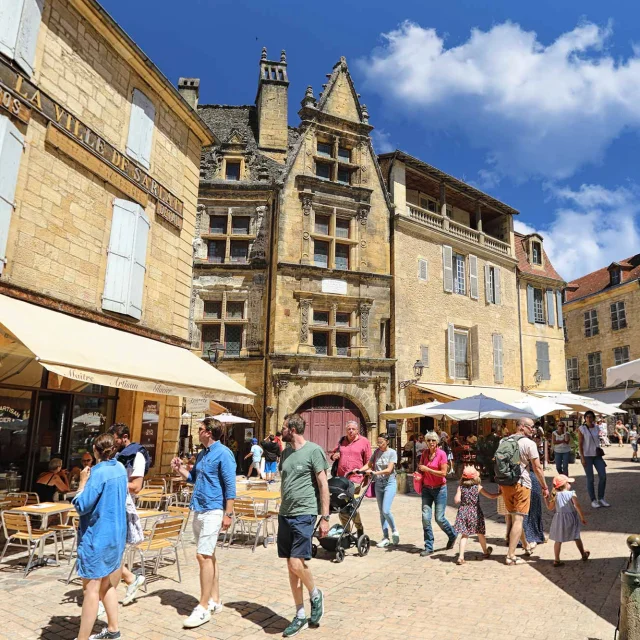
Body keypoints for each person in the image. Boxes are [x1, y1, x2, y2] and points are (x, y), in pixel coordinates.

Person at [171, 417, 235, 629]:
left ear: (209, 432)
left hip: (214, 509)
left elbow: (230, 485)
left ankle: (203, 606)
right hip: (198, 508)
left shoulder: (224, 454)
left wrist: (229, 513)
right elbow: (194, 478)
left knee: (203, 555)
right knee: (209, 555)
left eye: (200, 429)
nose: (197, 432)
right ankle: (216, 599)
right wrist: (179, 469)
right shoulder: (202, 454)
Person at [278, 413, 330, 638]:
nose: (281, 430)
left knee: (295, 563)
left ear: (292, 428)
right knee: (291, 567)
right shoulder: (286, 452)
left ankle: (316, 594)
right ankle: (299, 614)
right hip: (285, 514)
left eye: (283, 426)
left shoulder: (314, 451)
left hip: (305, 514)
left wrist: (325, 517)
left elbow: (323, 485)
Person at [72, 433, 127, 640]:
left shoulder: (97, 473)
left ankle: (82, 638)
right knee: (107, 585)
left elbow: (81, 505)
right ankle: (113, 630)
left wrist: (82, 483)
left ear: (96, 451)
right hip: (116, 534)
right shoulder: (120, 468)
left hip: (98, 536)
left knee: (91, 589)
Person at [499, 417, 549, 566]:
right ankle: (511, 555)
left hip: (506, 483)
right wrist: (544, 486)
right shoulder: (529, 444)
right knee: (519, 519)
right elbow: (538, 468)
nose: (533, 430)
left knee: (515, 517)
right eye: (531, 427)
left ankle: (526, 546)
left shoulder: (503, 441)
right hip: (522, 483)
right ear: (522, 427)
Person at [109, 423, 150, 605]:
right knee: (110, 551)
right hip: (111, 506)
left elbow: (136, 487)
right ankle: (130, 579)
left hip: (123, 508)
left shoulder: (137, 456)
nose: (113, 442)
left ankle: (107, 597)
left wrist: (111, 482)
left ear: (124, 437)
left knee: (112, 551)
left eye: (115, 438)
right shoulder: (117, 455)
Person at [416, 431, 456, 557]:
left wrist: (427, 469)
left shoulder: (442, 454)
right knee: (425, 518)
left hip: (440, 489)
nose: (431, 443)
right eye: (429, 441)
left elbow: (444, 473)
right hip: (427, 489)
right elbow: (420, 468)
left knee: (439, 518)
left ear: (437, 442)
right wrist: (419, 475)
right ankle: (429, 546)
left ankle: (452, 534)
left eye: (433, 440)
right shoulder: (425, 454)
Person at [355, 433, 399, 547]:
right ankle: (385, 537)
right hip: (378, 484)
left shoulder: (392, 453)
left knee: (386, 510)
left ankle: (394, 530)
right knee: (381, 512)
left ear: (387, 442)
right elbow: (369, 464)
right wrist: (359, 470)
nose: (379, 445)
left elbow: (389, 470)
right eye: (378, 442)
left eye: (381, 442)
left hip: (389, 483)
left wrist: (374, 473)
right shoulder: (376, 452)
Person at [329, 420, 371, 537]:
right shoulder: (342, 441)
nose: (351, 431)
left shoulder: (364, 442)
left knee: (348, 504)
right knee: (341, 504)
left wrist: (362, 472)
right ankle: (346, 531)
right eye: (349, 429)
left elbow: (369, 461)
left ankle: (358, 527)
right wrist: (333, 456)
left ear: (357, 430)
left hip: (356, 479)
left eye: (353, 429)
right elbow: (332, 454)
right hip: (341, 478)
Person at [453, 466, 499, 565]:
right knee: (480, 533)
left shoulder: (460, 487)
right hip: (475, 512)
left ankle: (461, 557)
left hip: (463, 512)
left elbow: (457, 500)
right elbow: (490, 496)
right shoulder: (478, 487)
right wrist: (499, 494)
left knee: (464, 535)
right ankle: (486, 552)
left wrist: (460, 497)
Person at [545, 474, 590, 567]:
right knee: (576, 536)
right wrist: (582, 517)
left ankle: (556, 559)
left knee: (558, 540)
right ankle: (583, 554)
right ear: (565, 485)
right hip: (571, 518)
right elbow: (577, 506)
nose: (570, 484)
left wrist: (545, 499)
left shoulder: (554, 494)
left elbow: (550, 508)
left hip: (559, 519)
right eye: (569, 482)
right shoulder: (571, 493)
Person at [578, 411, 610, 509]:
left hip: (597, 456)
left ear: (593, 418)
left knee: (603, 476)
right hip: (587, 456)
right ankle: (593, 499)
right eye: (587, 417)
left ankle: (601, 498)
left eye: (591, 417)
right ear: (585, 418)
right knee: (590, 479)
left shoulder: (597, 427)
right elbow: (580, 444)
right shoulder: (582, 429)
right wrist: (582, 457)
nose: (589, 418)